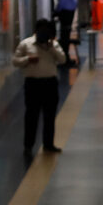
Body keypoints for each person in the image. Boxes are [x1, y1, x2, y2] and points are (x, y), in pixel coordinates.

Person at [12, 19, 66, 160]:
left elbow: (63, 60)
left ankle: (49, 144)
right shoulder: (25, 44)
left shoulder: (53, 44)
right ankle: (28, 146)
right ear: (36, 31)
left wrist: (51, 47)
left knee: (50, 116)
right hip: (33, 85)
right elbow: (15, 61)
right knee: (31, 116)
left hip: (50, 84)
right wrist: (27, 60)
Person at [56, 0, 77, 66]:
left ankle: (65, 58)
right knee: (65, 37)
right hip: (66, 13)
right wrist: (58, 12)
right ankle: (64, 59)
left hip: (68, 13)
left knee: (66, 36)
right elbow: (62, 3)